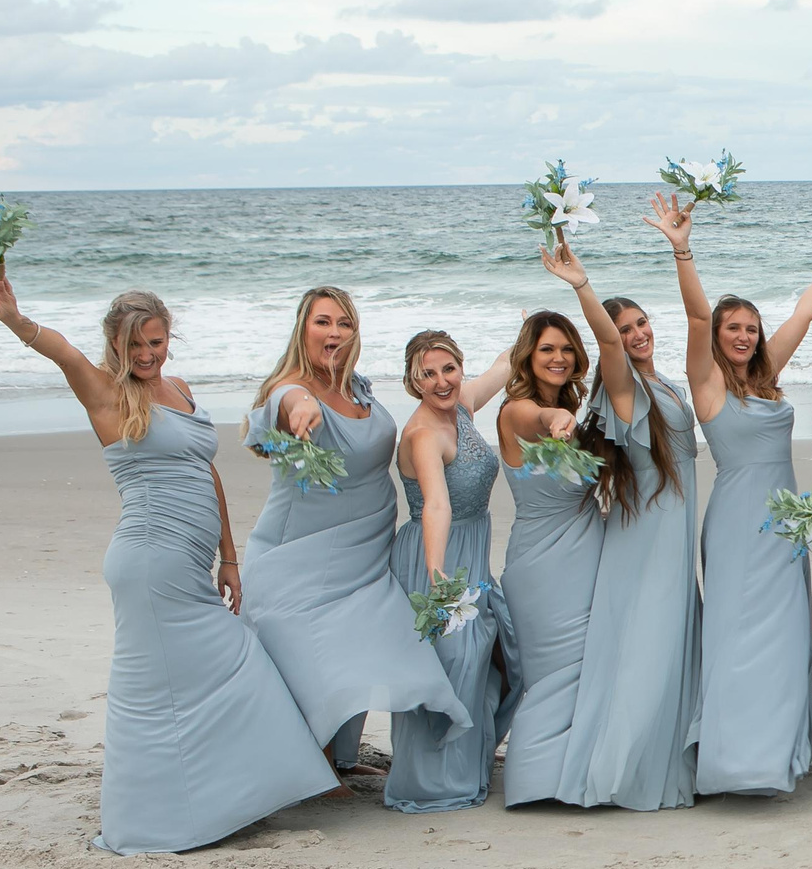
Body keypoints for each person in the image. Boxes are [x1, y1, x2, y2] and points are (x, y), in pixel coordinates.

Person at [0, 269, 334, 852]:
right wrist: (15, 319)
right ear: (115, 345)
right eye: (134, 344)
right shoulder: (107, 393)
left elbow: (206, 470)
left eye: (156, 341)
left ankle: (218, 799)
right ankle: (149, 822)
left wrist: (229, 557)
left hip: (190, 565)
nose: (146, 354)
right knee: (163, 690)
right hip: (147, 562)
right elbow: (61, 351)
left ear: (170, 339)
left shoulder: (183, 389)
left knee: (225, 673)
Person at [676, 189, 812, 798]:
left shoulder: (766, 377)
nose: (742, 335)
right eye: (733, 328)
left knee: (786, 636)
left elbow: (802, 321)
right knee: (736, 634)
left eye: (750, 329)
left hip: (785, 521)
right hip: (737, 521)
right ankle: (732, 761)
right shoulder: (706, 385)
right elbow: (696, 318)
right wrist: (683, 250)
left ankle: (775, 759)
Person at [240, 286, 469, 777]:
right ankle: (315, 765)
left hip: (364, 552)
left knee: (368, 648)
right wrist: (301, 410)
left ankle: (339, 758)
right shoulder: (292, 387)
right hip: (301, 555)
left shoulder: (357, 386)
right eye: (323, 322)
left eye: (344, 322)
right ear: (303, 328)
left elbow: (452, 400)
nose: (335, 332)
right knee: (317, 659)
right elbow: (288, 402)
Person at [541, 230, 701, 810]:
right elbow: (606, 344)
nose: (637, 335)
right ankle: (628, 771)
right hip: (651, 534)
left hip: (669, 529)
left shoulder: (665, 384)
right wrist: (585, 286)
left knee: (668, 640)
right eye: (625, 328)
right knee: (648, 644)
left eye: (641, 323)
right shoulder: (626, 390)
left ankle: (666, 759)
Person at [385, 331, 519, 814]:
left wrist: (526, 334)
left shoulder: (460, 404)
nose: (441, 381)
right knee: (452, 664)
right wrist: (439, 577)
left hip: (471, 554)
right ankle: (431, 783)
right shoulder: (423, 434)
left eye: (449, 369)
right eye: (428, 373)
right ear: (412, 380)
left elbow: (502, 369)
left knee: (485, 662)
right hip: (435, 558)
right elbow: (436, 505)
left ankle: (469, 769)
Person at [492, 311, 610, 807]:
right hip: (543, 563)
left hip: (586, 553)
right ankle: (535, 784)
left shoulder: (576, 410)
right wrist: (557, 419)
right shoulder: (518, 411)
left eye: (565, 349)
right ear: (529, 355)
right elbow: (540, 420)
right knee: (552, 676)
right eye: (546, 349)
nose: (558, 358)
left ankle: (576, 777)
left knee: (587, 669)